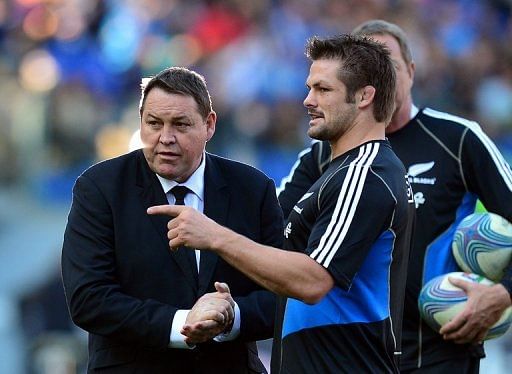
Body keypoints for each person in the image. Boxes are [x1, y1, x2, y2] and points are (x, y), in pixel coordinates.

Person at [148, 34, 415, 373]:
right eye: (309, 87)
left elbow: (313, 281)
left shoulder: (364, 175)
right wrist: (233, 309)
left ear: (364, 96)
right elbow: (283, 271)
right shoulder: (338, 172)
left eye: (323, 89)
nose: (307, 100)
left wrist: (214, 236)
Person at [277, 20, 512, 373]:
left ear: (412, 71)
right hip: (355, 357)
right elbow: (273, 227)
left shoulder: (459, 140)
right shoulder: (323, 155)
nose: (381, 76)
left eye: (391, 66)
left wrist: (504, 292)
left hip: (441, 352)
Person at [61, 67, 284, 373]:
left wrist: (231, 317)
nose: (165, 138)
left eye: (180, 125)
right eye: (154, 124)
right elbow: (89, 299)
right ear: (140, 123)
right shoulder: (101, 188)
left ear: (209, 125)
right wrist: (182, 323)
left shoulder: (252, 188)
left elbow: (281, 293)